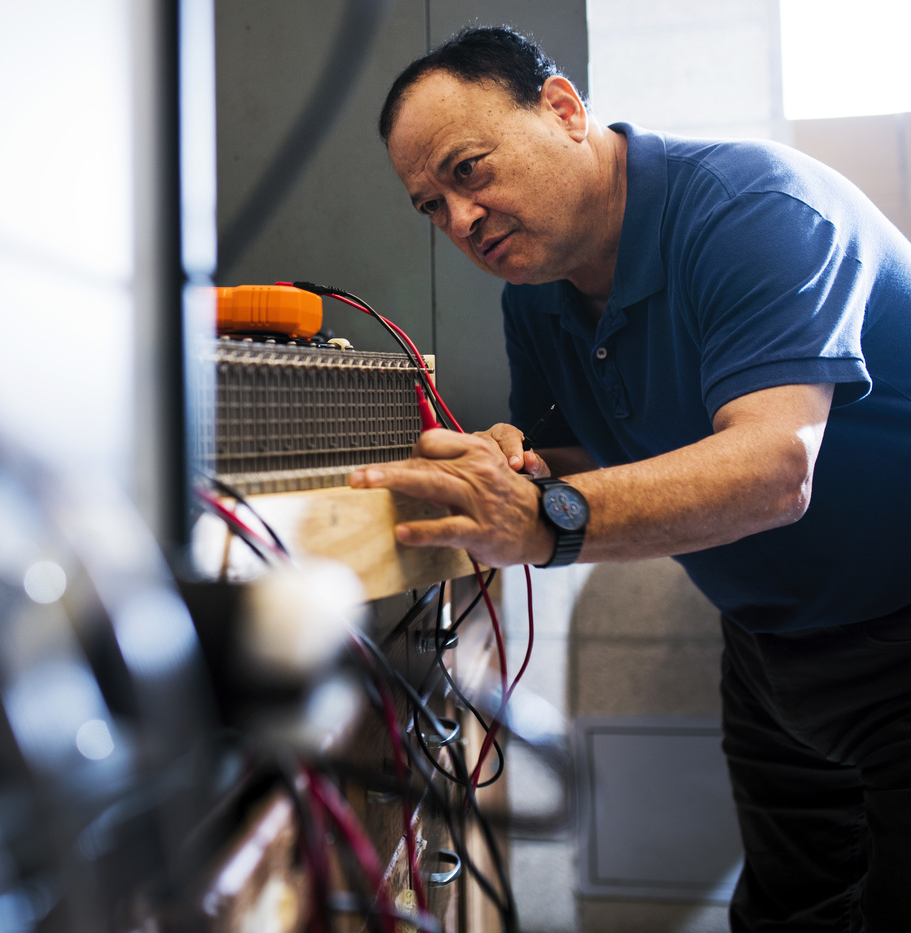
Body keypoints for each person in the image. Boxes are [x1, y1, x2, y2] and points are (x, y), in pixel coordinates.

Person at [354, 24, 911, 933]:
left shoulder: (755, 209)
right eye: (429, 206)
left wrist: (545, 515)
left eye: (468, 170)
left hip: (899, 625)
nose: (459, 219)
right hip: (772, 643)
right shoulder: (536, 293)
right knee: (787, 916)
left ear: (565, 110)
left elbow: (776, 467)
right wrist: (518, 461)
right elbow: (577, 448)